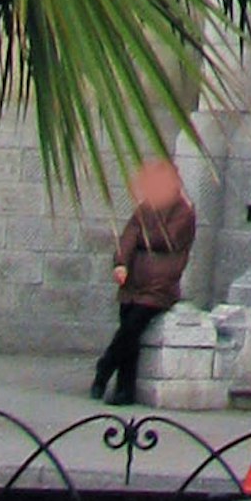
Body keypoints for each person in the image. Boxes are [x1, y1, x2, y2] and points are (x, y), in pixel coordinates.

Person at [90, 153, 200, 407]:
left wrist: (141, 235)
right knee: (129, 336)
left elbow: (167, 239)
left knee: (131, 329)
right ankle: (124, 389)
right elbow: (127, 237)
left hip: (159, 286)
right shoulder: (145, 209)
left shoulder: (184, 212)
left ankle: (105, 366)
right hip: (133, 284)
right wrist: (120, 263)